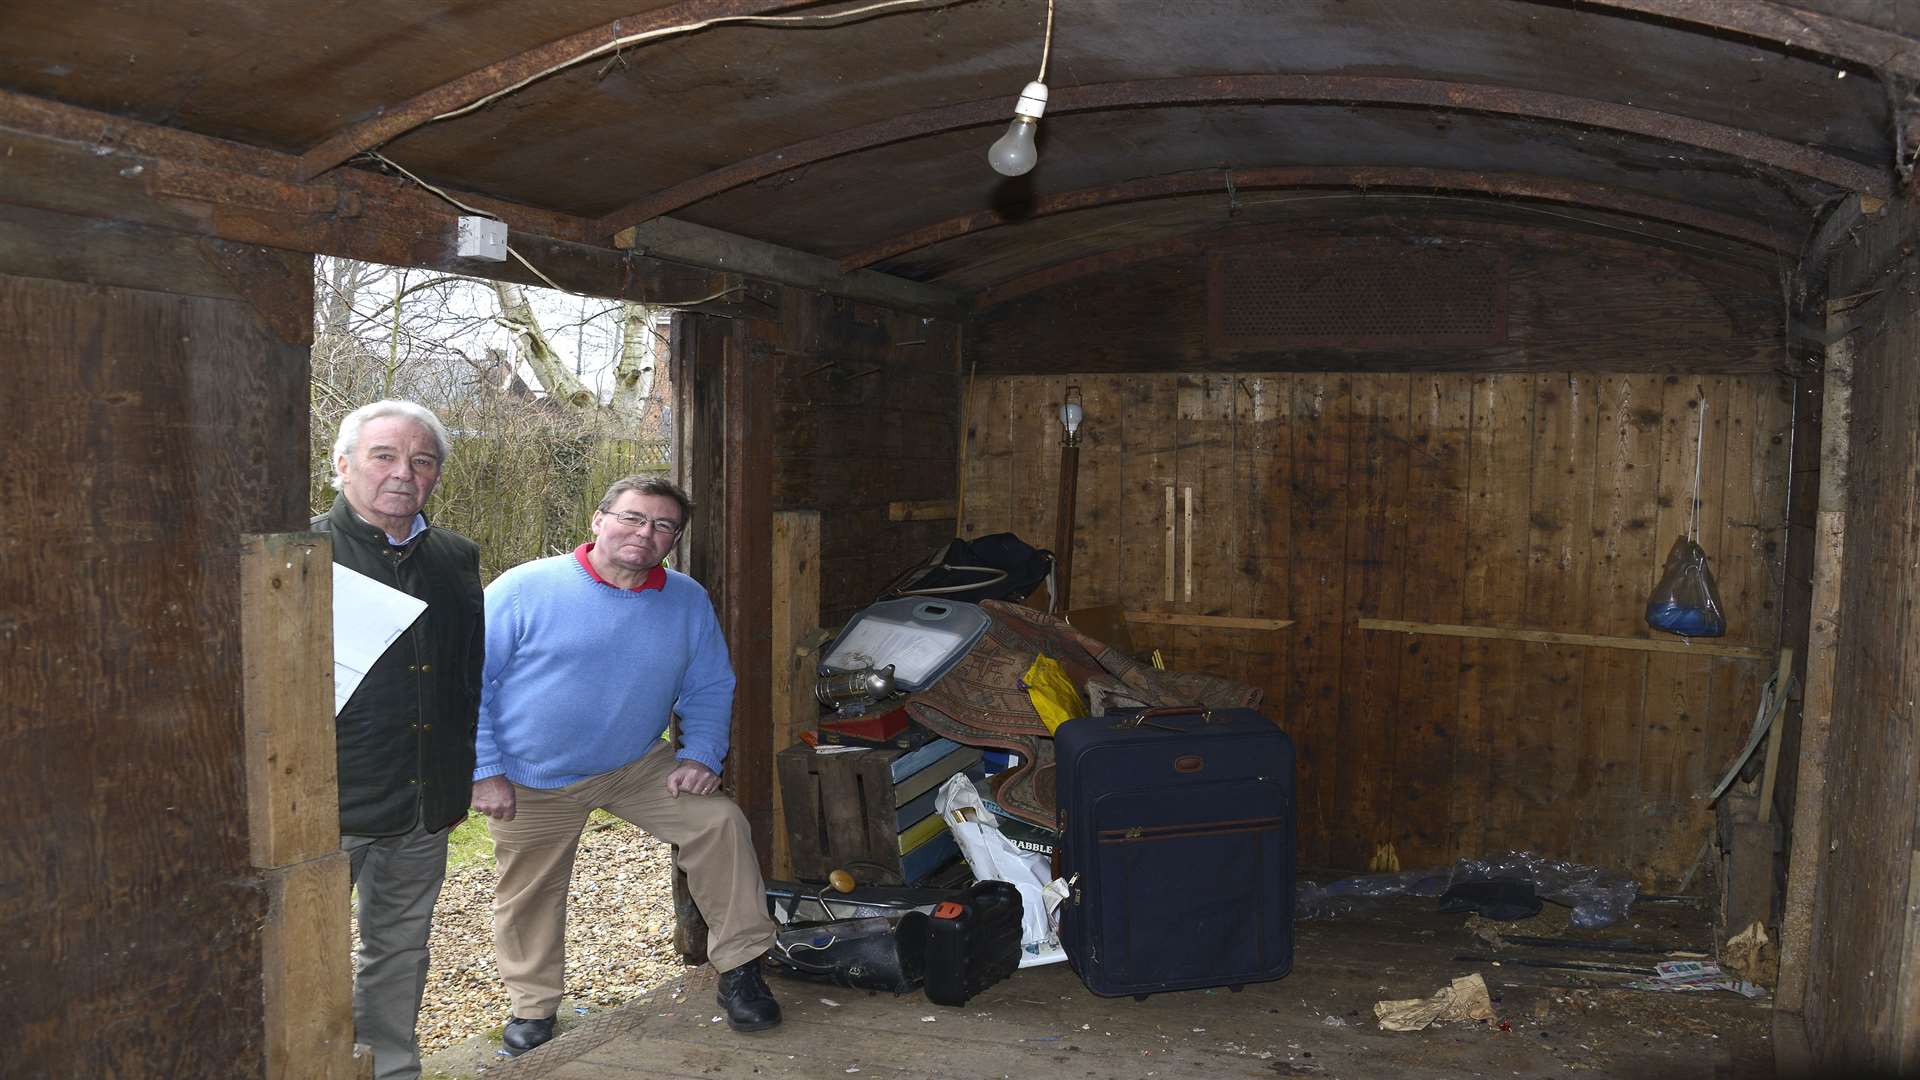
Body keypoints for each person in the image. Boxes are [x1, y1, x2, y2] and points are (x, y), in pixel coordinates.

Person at [472, 475, 780, 1057]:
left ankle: (740, 969)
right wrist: (484, 769)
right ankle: (533, 1006)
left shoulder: (686, 598)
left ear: (674, 540)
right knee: (530, 890)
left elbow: (710, 684)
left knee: (719, 824)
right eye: (634, 518)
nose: (647, 533)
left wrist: (699, 755)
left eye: (664, 526)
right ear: (598, 519)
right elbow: (470, 685)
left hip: (634, 763)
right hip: (530, 773)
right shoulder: (523, 589)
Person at [315, 400, 484, 1080]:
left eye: (422, 461)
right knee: (302, 953)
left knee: (401, 948)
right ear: (342, 463)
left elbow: (468, 675)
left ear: (437, 476)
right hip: (330, 803)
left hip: (423, 803)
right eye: (384, 455)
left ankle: (389, 1070)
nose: (403, 473)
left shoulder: (455, 557)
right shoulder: (300, 553)